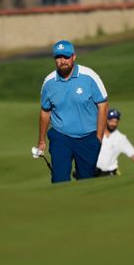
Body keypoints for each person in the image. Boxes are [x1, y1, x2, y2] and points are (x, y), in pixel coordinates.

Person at [37, 40, 108, 183]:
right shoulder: (49, 82)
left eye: (66, 57)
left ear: (74, 57)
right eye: (58, 57)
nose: (62, 61)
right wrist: (41, 140)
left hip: (88, 138)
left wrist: (98, 138)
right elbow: (45, 112)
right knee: (59, 179)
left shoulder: (89, 76)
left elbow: (103, 105)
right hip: (61, 137)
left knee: (86, 181)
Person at [96, 108, 134, 176]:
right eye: (111, 121)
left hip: (110, 173)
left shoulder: (120, 138)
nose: (113, 124)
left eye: (116, 121)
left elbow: (133, 154)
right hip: (93, 172)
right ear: (106, 120)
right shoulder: (96, 133)